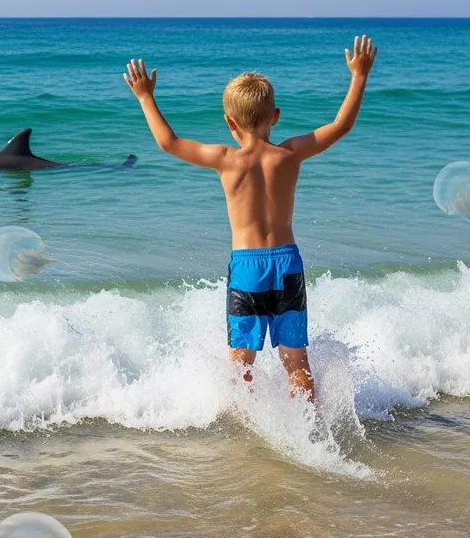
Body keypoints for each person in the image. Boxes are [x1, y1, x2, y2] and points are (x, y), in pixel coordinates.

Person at [123, 36, 378, 401]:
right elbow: (340, 125)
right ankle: (311, 432)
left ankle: (247, 435)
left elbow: (169, 143)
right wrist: (359, 75)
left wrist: (145, 96)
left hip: (248, 269)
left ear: (230, 122)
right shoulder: (290, 154)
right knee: (296, 362)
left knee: (241, 364)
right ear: (275, 116)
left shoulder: (226, 159)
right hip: (287, 264)